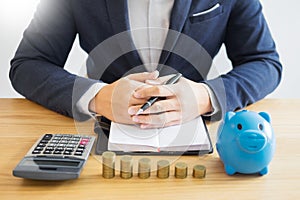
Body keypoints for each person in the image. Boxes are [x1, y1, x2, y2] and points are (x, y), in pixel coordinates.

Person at [10, 0, 282, 129]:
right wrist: (95, 97)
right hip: (98, 137)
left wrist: (207, 96)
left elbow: (263, 61)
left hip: (200, 140)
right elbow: (29, 64)